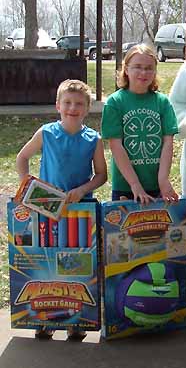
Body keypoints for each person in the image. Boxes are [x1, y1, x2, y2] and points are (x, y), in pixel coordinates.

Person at [16, 79, 107, 340]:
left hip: (80, 211)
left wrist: (82, 189)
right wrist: (28, 187)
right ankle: (44, 318)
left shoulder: (93, 139)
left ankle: (76, 319)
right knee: (46, 259)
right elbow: (22, 158)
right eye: (67, 103)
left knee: (76, 262)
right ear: (58, 106)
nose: (72, 108)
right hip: (46, 209)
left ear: (87, 108)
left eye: (79, 104)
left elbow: (102, 175)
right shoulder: (46, 133)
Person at [101, 43, 179, 204]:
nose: (144, 72)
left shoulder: (163, 102)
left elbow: (168, 143)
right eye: (137, 67)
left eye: (149, 68)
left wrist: (163, 180)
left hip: (156, 185)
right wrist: (135, 185)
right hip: (125, 186)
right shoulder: (115, 102)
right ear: (126, 69)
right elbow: (116, 146)